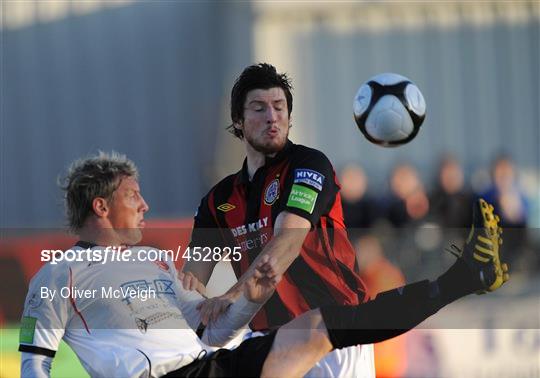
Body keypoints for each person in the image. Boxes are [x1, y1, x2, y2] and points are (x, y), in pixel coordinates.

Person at [19, 152, 509, 377]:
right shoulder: (55, 277)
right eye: (133, 196)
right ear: (101, 208)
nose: (145, 205)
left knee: (318, 327)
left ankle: (463, 278)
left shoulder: (156, 263)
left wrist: (251, 297)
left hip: (211, 364)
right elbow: (33, 368)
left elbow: (208, 329)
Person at [183, 63, 375, 376]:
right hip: (266, 340)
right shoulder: (217, 200)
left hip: (330, 332)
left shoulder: (309, 165)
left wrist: (232, 296)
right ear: (238, 122)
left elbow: (288, 241)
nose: (272, 117)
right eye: (259, 108)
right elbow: (193, 277)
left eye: (279, 107)